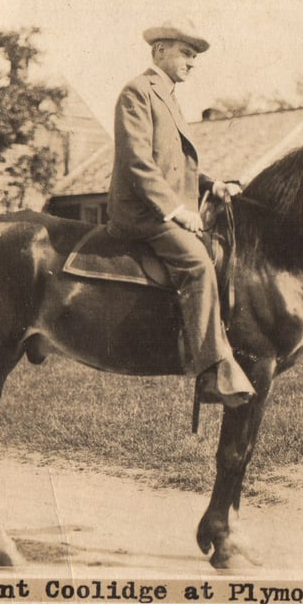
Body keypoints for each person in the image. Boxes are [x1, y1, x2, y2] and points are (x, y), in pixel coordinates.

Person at [106, 20, 255, 408]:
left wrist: (211, 185)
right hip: (141, 212)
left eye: (194, 56)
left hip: (162, 209)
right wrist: (176, 211)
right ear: (159, 52)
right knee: (197, 263)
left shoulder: (167, 96)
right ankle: (211, 371)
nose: (192, 62)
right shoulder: (137, 92)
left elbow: (174, 163)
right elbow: (138, 163)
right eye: (185, 53)